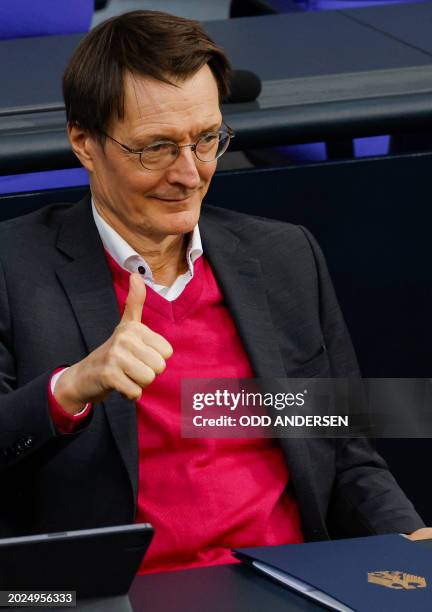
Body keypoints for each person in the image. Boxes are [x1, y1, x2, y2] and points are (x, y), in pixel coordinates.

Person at [0, 10, 428, 575]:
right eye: (155, 148)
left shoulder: (284, 257)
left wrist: (410, 540)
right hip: (120, 594)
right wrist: (70, 388)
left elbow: (344, 451)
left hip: (293, 582)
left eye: (206, 139)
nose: (190, 173)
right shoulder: (14, 267)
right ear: (84, 141)